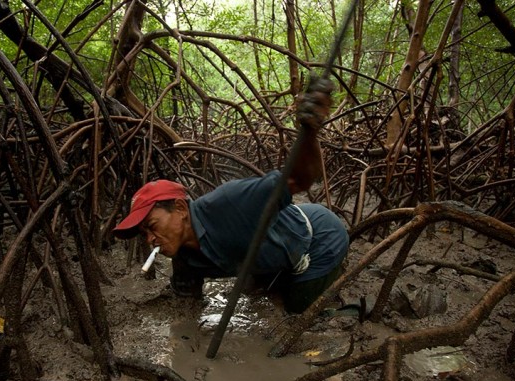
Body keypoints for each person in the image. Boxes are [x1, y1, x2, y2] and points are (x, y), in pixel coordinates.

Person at [113, 77, 349, 314]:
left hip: (317, 239)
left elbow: (300, 179)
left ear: (180, 208)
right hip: (274, 251)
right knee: (255, 293)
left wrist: (309, 130)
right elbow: (185, 309)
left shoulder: (229, 203)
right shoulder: (183, 258)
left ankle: (342, 302)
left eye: (152, 226)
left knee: (297, 315)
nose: (150, 240)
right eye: (145, 234)